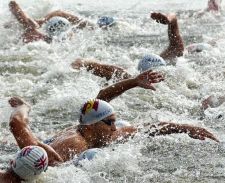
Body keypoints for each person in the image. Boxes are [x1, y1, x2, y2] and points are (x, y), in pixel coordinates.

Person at [8, 69, 219, 166]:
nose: (114, 127)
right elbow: (45, 161)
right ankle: (24, 106)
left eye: (114, 121)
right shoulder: (75, 145)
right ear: (90, 127)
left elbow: (150, 127)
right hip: (42, 147)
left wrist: (185, 127)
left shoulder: (102, 131)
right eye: (109, 122)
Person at [8, 1, 94, 43]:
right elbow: (12, 4)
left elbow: (12, 4)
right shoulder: (74, 39)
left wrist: (33, 23)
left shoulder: (33, 32)